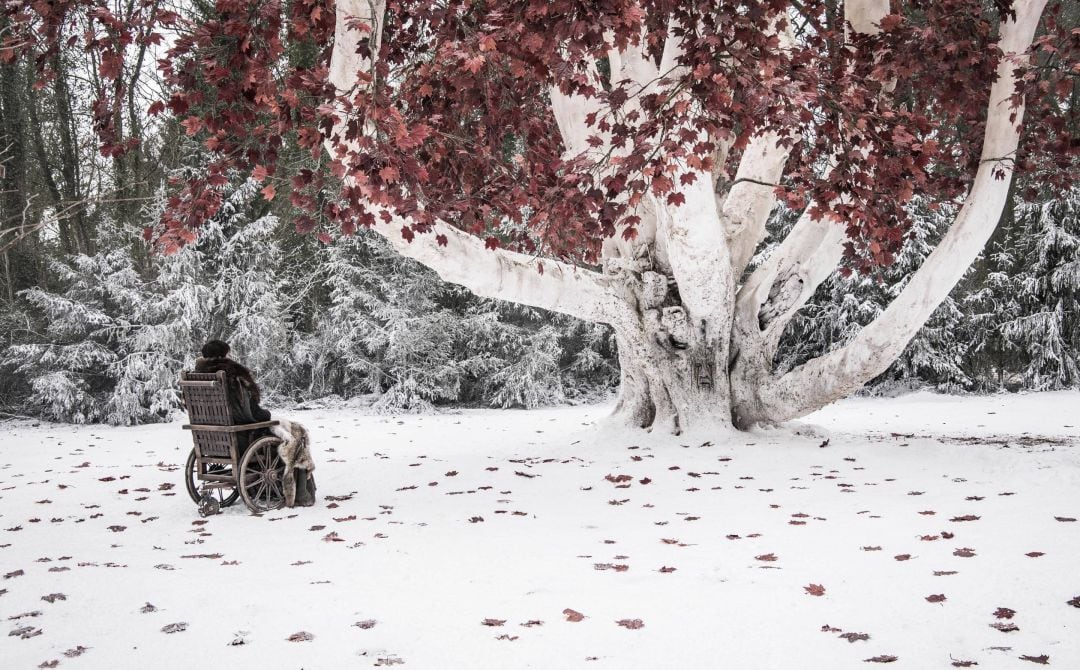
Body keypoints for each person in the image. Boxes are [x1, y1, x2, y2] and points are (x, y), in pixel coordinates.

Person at [194, 340, 272, 426]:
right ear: (224, 354)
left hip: (206, 420)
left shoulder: (196, 375)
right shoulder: (233, 371)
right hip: (235, 419)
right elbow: (246, 401)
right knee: (265, 415)